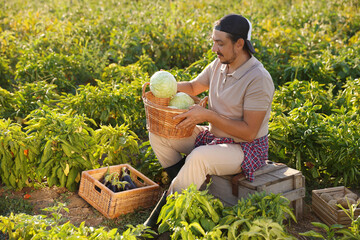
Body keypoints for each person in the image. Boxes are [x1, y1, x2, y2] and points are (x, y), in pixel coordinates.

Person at [144, 13, 275, 228]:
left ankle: (160, 223)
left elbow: (249, 132)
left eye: (220, 43)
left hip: (245, 147)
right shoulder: (219, 65)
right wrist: (162, 85)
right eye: (214, 42)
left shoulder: (258, 79)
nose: (215, 49)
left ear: (239, 44)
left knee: (199, 157)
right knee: (159, 133)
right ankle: (191, 192)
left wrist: (208, 116)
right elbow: (195, 87)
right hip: (214, 138)